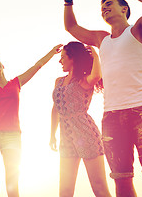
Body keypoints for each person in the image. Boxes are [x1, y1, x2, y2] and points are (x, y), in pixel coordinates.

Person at [60, 0, 142, 196]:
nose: (104, 8)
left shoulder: (140, 30)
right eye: (102, 6)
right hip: (112, 117)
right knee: (121, 182)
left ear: (124, 9)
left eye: (109, 3)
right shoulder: (101, 39)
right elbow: (71, 27)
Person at [0, 44, 62, 197]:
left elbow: (38, 66)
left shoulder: (16, 83)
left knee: (13, 187)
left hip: (12, 137)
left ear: (2, 65)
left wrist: (52, 52)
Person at [49, 42, 111, 197]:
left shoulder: (83, 80)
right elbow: (55, 109)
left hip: (86, 134)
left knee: (99, 189)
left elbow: (96, 76)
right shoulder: (59, 81)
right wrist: (52, 135)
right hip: (66, 137)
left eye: (63, 57)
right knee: (64, 191)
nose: (60, 61)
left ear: (73, 58)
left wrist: (95, 55)